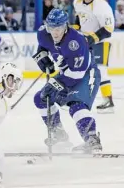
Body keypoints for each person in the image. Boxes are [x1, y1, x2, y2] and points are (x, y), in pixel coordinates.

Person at [33, 8, 102, 153]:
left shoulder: (76, 41)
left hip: (86, 74)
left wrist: (54, 83)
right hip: (66, 74)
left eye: (59, 28)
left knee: (76, 104)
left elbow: (77, 74)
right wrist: (42, 56)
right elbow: (43, 46)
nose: (55, 32)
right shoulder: (43, 33)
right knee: (41, 98)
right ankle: (59, 134)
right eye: (52, 28)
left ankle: (91, 139)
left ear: (66, 26)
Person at [73, 0, 115, 114]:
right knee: (81, 69)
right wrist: (74, 33)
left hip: (102, 41)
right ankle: (76, 97)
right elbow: (79, 18)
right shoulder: (78, 1)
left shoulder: (102, 6)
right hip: (86, 40)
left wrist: (90, 39)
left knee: (101, 70)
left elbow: (108, 29)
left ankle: (108, 100)